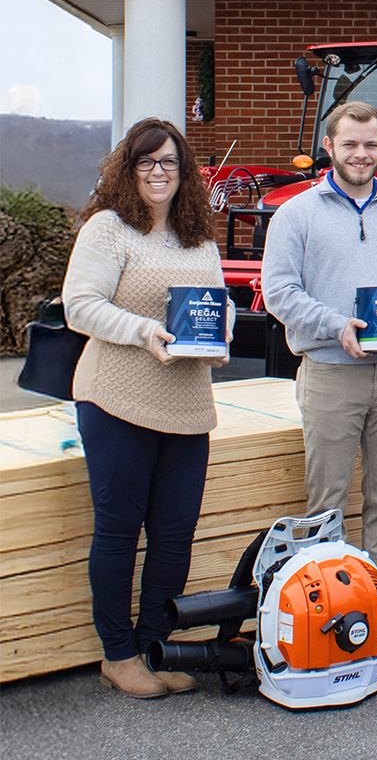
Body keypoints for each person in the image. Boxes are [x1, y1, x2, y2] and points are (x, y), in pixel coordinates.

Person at [262, 101, 377, 647]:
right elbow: (279, 292)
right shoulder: (297, 214)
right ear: (330, 147)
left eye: (370, 145)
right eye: (350, 144)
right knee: (328, 499)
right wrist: (336, 324)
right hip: (329, 371)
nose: (361, 154)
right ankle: (328, 613)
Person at [63, 117, 232, 698]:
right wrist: (143, 331)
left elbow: (218, 303)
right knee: (117, 530)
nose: (159, 173)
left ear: (185, 174)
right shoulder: (108, 229)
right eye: (147, 162)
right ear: (128, 169)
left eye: (170, 163)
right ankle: (119, 654)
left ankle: (156, 643)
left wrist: (223, 328)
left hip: (186, 402)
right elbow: (78, 306)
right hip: (116, 398)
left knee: (173, 533)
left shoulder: (197, 238)